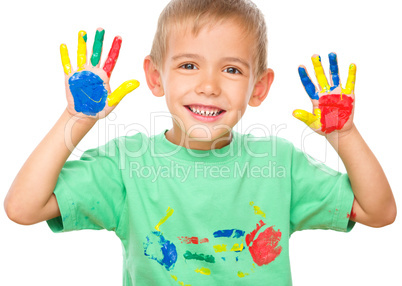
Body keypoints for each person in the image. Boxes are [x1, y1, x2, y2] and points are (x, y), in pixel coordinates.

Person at [4, 0, 396, 285]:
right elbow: (23, 208)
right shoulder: (126, 164)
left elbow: (378, 212)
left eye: (231, 69)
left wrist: (343, 135)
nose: (209, 86)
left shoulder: (280, 162)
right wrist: (76, 119)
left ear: (258, 88)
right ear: (156, 78)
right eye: (188, 65)